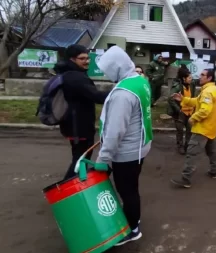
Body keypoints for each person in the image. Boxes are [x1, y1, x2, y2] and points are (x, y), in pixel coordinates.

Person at [96, 46, 153, 246]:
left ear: (116, 67)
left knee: (127, 190)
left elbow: (115, 131)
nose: (106, 73)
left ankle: (132, 229)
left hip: (127, 152)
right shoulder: (139, 81)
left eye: (107, 69)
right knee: (131, 188)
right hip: (140, 145)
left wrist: (103, 158)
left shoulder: (122, 93)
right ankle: (132, 221)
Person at [54, 44, 109, 180]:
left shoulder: (71, 74)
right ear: (71, 59)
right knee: (80, 161)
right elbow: (96, 96)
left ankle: (72, 187)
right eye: (82, 58)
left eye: (88, 58)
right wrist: (119, 91)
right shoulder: (75, 78)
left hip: (74, 125)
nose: (87, 61)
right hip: (79, 127)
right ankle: (65, 191)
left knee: (79, 158)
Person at [170, 69, 216, 188]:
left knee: (192, 152)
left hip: (202, 128)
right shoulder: (212, 89)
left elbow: (204, 110)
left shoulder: (207, 92)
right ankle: (214, 172)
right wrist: (183, 99)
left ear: (209, 78)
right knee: (212, 151)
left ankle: (185, 179)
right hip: (211, 128)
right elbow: (198, 102)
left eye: (203, 75)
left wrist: (193, 118)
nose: (200, 76)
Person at [167, 68, 197, 155]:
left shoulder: (192, 85)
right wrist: (178, 109)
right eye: (189, 78)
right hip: (180, 113)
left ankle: (187, 146)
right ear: (184, 78)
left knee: (189, 130)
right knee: (180, 131)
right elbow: (170, 99)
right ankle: (180, 146)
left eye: (191, 77)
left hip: (190, 112)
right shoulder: (177, 86)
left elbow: (193, 96)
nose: (191, 79)